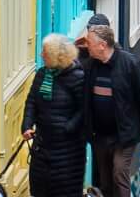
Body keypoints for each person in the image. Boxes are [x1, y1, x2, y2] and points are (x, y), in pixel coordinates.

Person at [79, 24, 140, 197]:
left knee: (119, 173)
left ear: (102, 45)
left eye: (89, 42)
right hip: (100, 135)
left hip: (125, 135)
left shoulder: (129, 64)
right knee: (105, 180)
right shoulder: (90, 65)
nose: (87, 45)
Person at [20, 34, 89, 197]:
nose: (41, 55)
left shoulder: (77, 77)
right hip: (42, 147)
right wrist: (27, 125)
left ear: (57, 56)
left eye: (44, 52)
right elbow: (32, 102)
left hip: (68, 151)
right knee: (39, 189)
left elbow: (85, 110)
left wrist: (68, 127)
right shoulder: (42, 75)